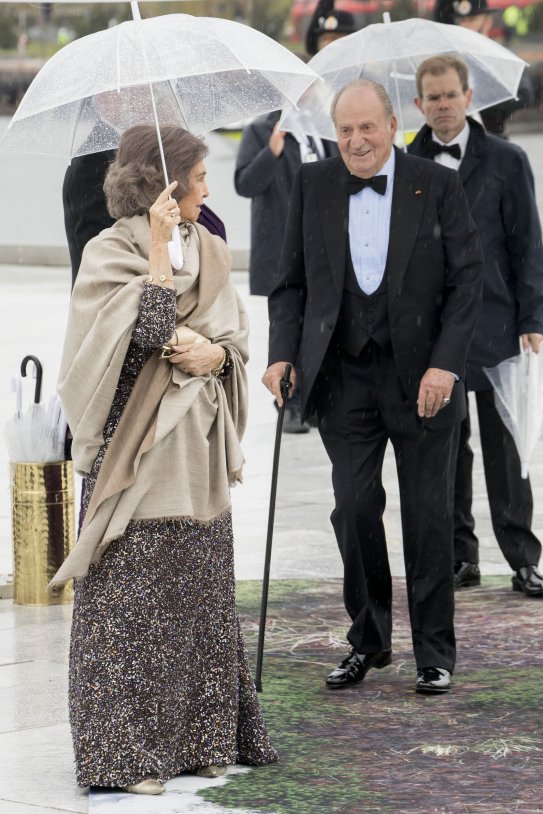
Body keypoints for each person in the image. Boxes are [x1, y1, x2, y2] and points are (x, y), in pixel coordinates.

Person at [52, 124, 278, 794]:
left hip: (199, 452)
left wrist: (217, 355)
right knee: (129, 608)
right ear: (167, 183)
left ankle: (204, 741)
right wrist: (155, 257)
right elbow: (136, 339)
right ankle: (123, 759)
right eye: (200, 177)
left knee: (200, 601)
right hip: (136, 454)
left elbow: (233, 339)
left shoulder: (208, 245)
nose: (209, 189)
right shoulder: (106, 252)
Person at [263, 80, 483, 695]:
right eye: (345, 130)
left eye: (367, 128)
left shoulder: (436, 184)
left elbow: (468, 281)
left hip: (423, 378)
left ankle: (434, 651)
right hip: (343, 375)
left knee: (427, 516)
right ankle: (368, 640)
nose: (356, 141)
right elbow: (291, 285)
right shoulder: (313, 184)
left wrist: (446, 365)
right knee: (354, 507)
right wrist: (282, 355)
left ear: (391, 125)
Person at [410, 55, 543, 597]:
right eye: (432, 98)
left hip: (497, 320)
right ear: (419, 104)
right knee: (445, 450)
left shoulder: (508, 160)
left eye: (450, 95)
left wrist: (534, 317)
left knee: (505, 447)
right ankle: (460, 556)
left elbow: (527, 244)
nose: (442, 105)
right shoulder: (405, 162)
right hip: (431, 330)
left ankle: (522, 555)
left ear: (469, 97)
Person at [235, 110, 338, 432]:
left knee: (322, 323)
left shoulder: (326, 128)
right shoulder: (260, 129)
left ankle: (318, 399)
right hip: (282, 248)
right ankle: (289, 403)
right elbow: (245, 184)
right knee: (288, 323)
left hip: (325, 244)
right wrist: (272, 150)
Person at [62, 94, 226, 288]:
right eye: (137, 93)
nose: (149, 99)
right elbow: (106, 256)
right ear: (105, 99)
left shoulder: (155, 151)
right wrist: (163, 255)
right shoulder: (92, 161)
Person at [432, 0, 535, 137]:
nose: (465, 25)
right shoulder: (452, 59)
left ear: (487, 22)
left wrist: (486, 103)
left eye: (472, 19)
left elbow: (525, 94)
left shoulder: (501, 57)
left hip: (493, 139)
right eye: (461, 20)